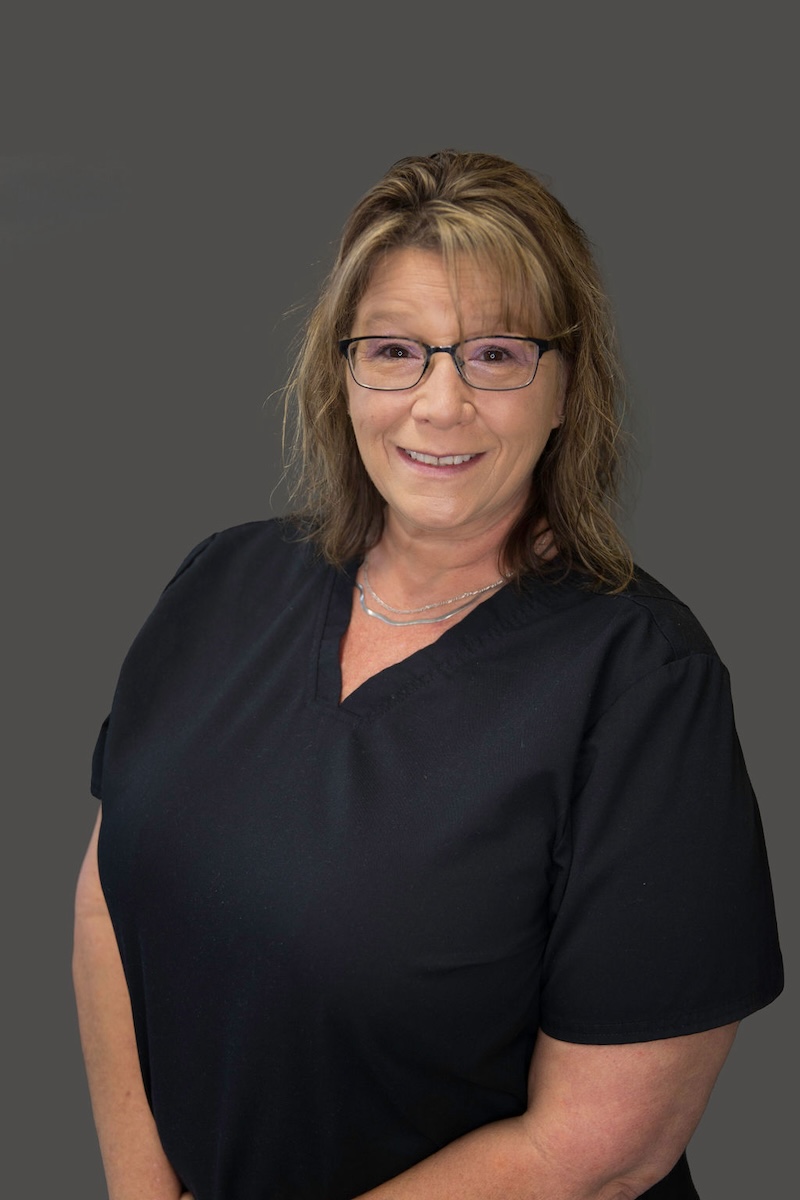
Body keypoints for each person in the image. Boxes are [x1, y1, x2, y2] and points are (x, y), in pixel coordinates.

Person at [73, 149, 783, 1200]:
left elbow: (597, 1151)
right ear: (342, 372)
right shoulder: (221, 582)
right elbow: (108, 896)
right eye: (395, 351)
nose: (438, 405)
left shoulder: (640, 683)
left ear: (563, 387)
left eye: (495, 355)